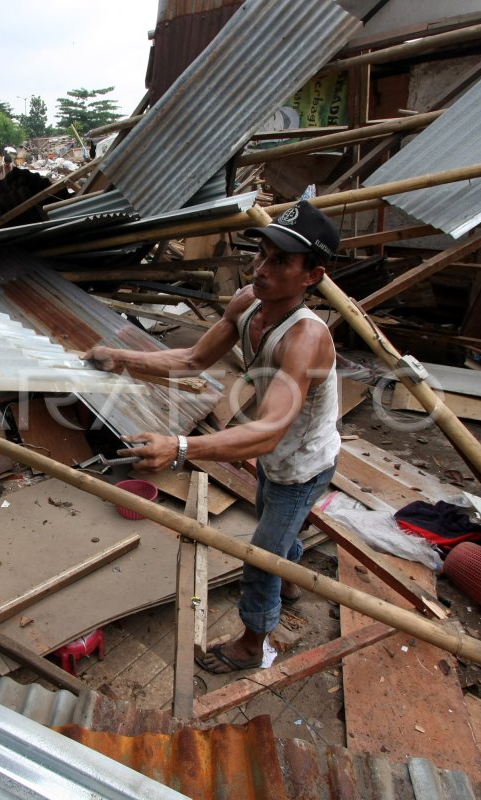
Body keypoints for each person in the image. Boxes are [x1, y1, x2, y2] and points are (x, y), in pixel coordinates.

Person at [85, 201, 343, 675]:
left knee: (262, 554)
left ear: (312, 275)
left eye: (279, 262)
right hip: (276, 452)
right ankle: (290, 578)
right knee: (274, 526)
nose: (260, 269)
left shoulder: (306, 338)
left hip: (303, 461)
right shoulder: (248, 301)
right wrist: (119, 357)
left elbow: (267, 433)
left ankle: (251, 643)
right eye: (261, 255)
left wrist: (179, 447)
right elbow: (190, 361)